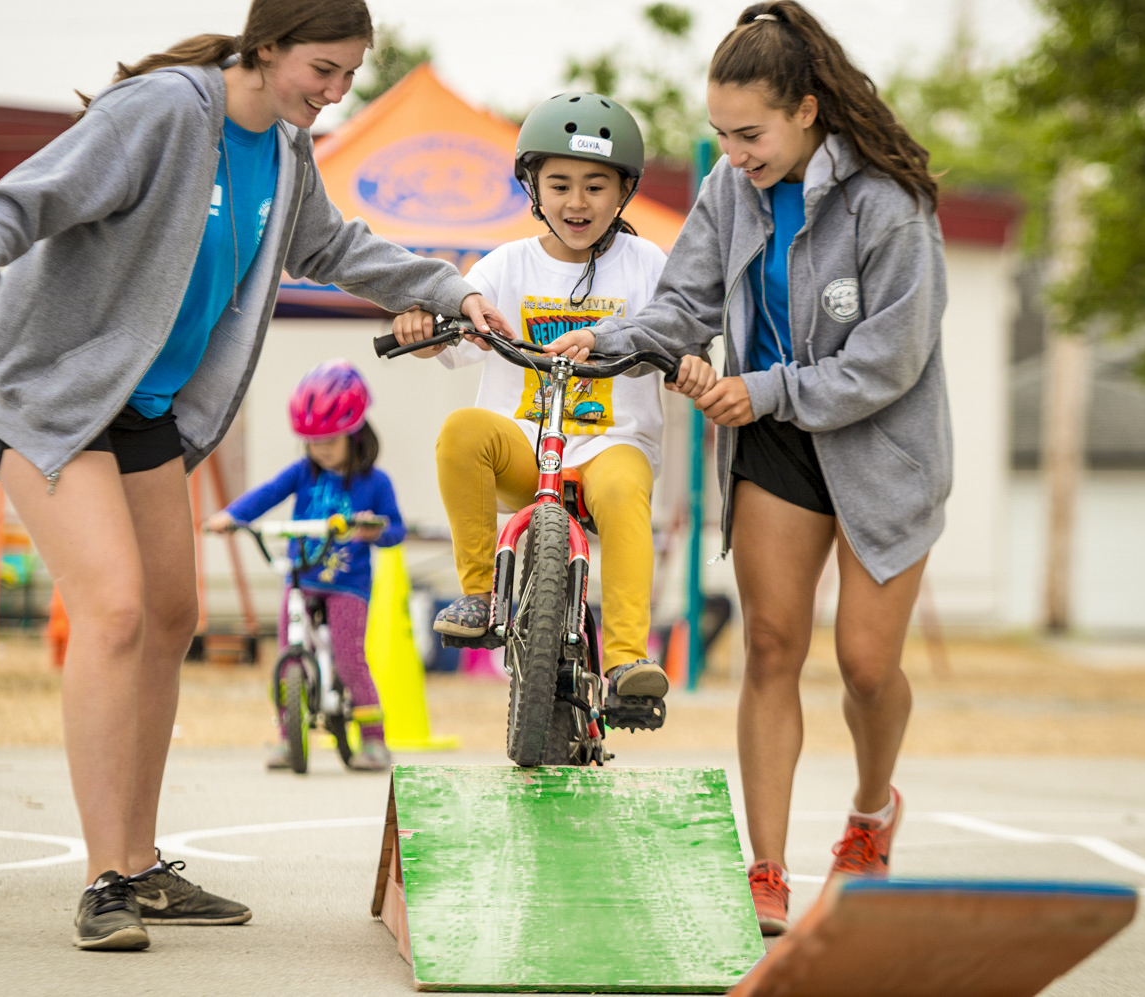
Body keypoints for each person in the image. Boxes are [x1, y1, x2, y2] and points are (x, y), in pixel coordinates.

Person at [0, 0, 511, 953]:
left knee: (173, 615)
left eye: (351, 76)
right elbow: (12, 204)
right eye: (323, 69)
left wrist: (448, 290)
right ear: (266, 49)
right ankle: (103, 880)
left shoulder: (291, 153)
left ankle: (140, 862)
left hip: (146, 410)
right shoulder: (166, 113)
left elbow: (334, 249)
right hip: (52, 394)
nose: (336, 92)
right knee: (116, 610)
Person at [547, 1, 949, 937]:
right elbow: (683, 302)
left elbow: (892, 361)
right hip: (776, 446)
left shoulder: (892, 205)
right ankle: (764, 868)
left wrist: (762, 388)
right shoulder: (732, 190)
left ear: (808, 109)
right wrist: (604, 340)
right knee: (771, 648)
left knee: (864, 664)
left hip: (887, 449)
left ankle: (871, 811)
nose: (733, 153)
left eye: (750, 133)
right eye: (721, 133)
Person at [391, 93, 713, 698]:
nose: (577, 201)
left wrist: (688, 365)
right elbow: (454, 332)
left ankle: (624, 662)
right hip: (525, 449)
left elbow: (678, 331)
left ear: (625, 192)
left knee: (622, 490)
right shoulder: (505, 266)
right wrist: (425, 330)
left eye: (596, 186)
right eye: (559, 184)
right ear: (533, 190)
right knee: (463, 430)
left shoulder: (647, 264)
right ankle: (480, 595)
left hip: (611, 448)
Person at [205, 361, 402, 771]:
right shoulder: (303, 474)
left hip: (348, 584)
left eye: (330, 439)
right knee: (288, 657)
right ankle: (286, 737)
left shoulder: (375, 482)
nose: (321, 449)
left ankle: (373, 740)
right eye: (313, 441)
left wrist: (373, 530)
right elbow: (267, 494)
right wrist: (232, 516)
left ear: (355, 431)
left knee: (349, 657)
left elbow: (395, 530)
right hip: (301, 579)